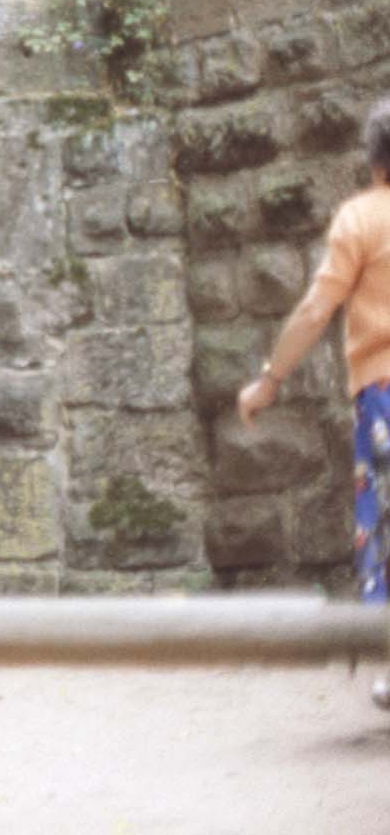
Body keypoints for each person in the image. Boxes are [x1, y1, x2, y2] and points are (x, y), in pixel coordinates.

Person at [238, 97, 390, 709]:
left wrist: (269, 380)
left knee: (383, 523)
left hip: (384, 396)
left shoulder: (361, 219)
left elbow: (315, 309)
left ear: (375, 158)